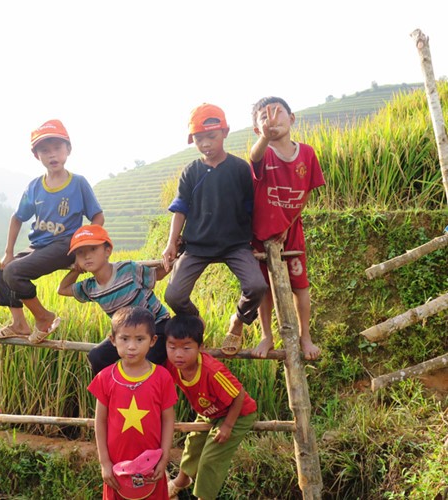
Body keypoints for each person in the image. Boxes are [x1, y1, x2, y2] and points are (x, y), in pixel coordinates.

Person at [162, 103, 268, 357]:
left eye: (211, 136)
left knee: (257, 286)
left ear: (225, 133)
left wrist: (257, 240)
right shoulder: (191, 171)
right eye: (199, 139)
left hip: (235, 244)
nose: (206, 143)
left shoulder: (240, 169)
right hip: (197, 245)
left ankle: (238, 322)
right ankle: (196, 322)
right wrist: (171, 243)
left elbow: (252, 207)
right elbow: (181, 209)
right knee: (174, 295)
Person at [0, 119, 104, 343]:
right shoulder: (34, 186)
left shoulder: (78, 183)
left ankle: (43, 318)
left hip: (65, 245)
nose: (52, 155)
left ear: (68, 150)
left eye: (57, 148)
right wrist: (9, 251)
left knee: (13, 273)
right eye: (45, 150)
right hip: (38, 245)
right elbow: (17, 218)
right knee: (1, 272)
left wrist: (85, 250)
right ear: (37, 156)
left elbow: (97, 216)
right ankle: (19, 324)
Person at [249, 97, 325, 360]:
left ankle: (305, 336)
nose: (272, 118)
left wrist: (289, 223)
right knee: (263, 288)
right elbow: (253, 156)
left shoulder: (307, 153)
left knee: (300, 286)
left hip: (291, 232)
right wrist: (265, 139)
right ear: (257, 130)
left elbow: (305, 193)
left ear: (292, 119)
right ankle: (266, 335)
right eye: (264, 117)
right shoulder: (263, 154)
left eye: (278, 112)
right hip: (260, 233)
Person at [164, 315, 257, 500]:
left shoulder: (212, 371)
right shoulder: (172, 366)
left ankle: (204, 497)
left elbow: (239, 395)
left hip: (237, 414)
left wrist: (228, 426)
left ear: (201, 347)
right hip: (209, 412)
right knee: (193, 444)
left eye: (186, 347)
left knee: (210, 459)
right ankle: (181, 481)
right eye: (172, 347)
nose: (178, 354)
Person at [88, 307, 177, 499]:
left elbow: (169, 420)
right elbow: (100, 421)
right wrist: (105, 463)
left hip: (151, 465)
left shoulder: (162, 377)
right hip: (116, 465)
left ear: (153, 341)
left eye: (140, 339)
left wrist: (164, 458)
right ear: (112, 340)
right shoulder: (105, 377)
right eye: (124, 338)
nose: (131, 346)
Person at [58, 224, 171, 375]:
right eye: (80, 253)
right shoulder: (90, 287)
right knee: (97, 356)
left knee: (143, 364)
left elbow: (157, 275)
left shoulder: (127, 269)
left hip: (157, 326)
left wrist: (173, 260)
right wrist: (76, 270)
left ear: (107, 251)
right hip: (127, 334)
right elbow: (62, 289)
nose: (87, 256)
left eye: (93, 249)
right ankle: (108, 394)